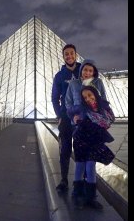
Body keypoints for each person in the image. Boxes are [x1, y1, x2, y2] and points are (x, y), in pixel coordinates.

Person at [71, 86, 115, 209]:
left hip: (94, 142)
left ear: (95, 93)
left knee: (90, 167)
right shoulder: (82, 109)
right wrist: (74, 119)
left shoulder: (104, 108)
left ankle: (90, 198)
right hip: (81, 141)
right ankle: (77, 193)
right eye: (85, 97)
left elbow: (110, 120)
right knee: (80, 166)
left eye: (90, 95)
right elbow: (70, 112)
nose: (88, 99)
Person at [51, 44, 81, 192]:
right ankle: (64, 180)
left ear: (76, 54)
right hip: (65, 117)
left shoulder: (84, 71)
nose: (69, 56)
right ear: (63, 57)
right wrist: (59, 116)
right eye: (66, 54)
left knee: (82, 149)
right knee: (64, 150)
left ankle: (80, 181)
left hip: (82, 117)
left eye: (71, 53)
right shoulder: (59, 76)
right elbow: (54, 98)